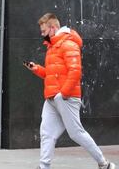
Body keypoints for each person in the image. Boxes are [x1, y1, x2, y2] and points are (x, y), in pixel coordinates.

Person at [24, 13, 114, 169]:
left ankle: (104, 164)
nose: (42, 34)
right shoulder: (52, 46)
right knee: (46, 133)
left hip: (65, 97)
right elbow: (51, 75)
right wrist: (36, 68)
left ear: (53, 28)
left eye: (44, 30)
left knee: (76, 133)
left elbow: (75, 71)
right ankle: (44, 166)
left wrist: (63, 94)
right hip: (53, 98)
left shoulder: (68, 44)